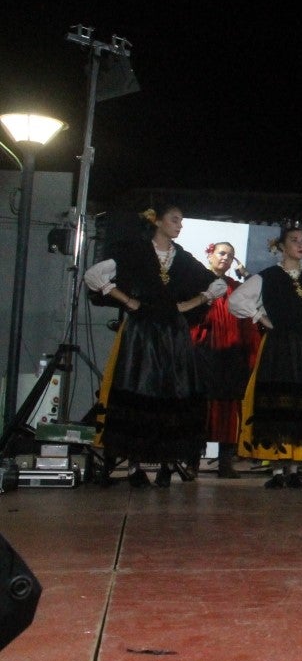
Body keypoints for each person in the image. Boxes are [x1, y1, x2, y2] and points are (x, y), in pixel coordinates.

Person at [85, 204, 225, 487]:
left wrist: (192, 303)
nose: (180, 225)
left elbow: (217, 286)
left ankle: (166, 463)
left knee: (172, 393)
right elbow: (94, 276)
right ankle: (135, 465)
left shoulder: (183, 259)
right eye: (175, 220)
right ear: (157, 221)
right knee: (140, 388)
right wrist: (128, 301)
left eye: (182, 221)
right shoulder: (135, 252)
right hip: (142, 332)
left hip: (173, 333)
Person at [229, 222, 302, 489]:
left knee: (300, 403)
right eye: (295, 240)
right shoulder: (267, 277)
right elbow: (237, 301)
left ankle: (293, 468)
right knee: (278, 402)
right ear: (281, 246)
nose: (301, 245)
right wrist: (261, 318)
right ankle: (277, 470)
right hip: (279, 346)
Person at [190, 241, 260, 478]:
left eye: (230, 255)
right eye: (221, 253)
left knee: (229, 408)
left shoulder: (236, 288)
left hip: (230, 356)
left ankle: (225, 462)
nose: (225, 258)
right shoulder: (197, 282)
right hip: (203, 352)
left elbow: (249, 319)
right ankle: (191, 461)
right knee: (200, 406)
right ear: (210, 254)